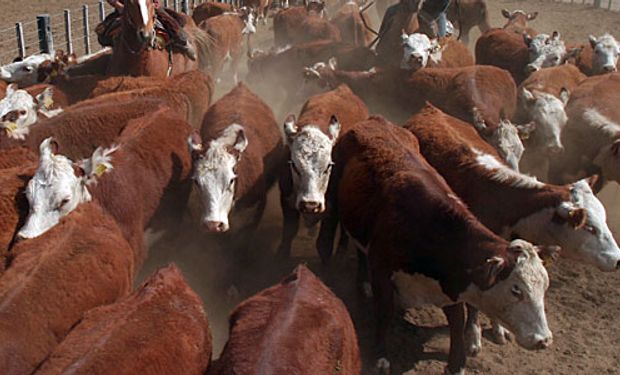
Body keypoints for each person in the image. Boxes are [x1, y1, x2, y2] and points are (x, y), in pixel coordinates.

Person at [96, 0, 196, 60]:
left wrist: (154, 4)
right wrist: (119, 6)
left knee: (170, 21)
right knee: (103, 32)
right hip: (128, 8)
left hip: (148, 6)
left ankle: (183, 42)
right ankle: (115, 51)